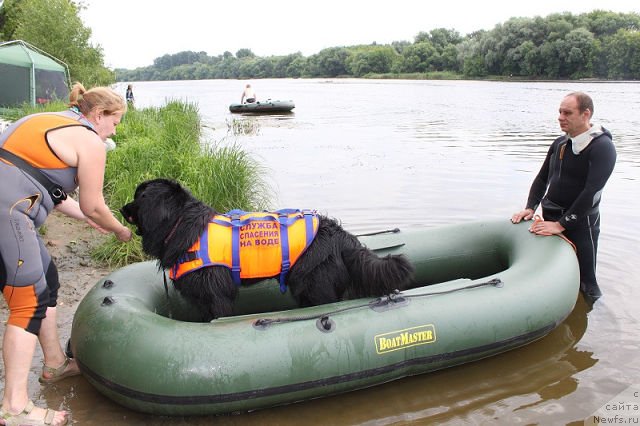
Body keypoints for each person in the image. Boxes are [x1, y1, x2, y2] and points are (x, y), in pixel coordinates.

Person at [0, 82, 133, 425]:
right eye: (115, 122)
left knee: (48, 279)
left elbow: (49, 188)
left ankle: (55, 364)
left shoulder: (54, 120)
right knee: (28, 300)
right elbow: (93, 204)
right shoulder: (90, 140)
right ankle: (14, 408)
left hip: (11, 209)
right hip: (8, 214)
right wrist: (119, 229)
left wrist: (92, 222)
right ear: (99, 115)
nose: (113, 130)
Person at [511, 91, 616, 304]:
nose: (560, 117)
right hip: (550, 217)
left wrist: (560, 225)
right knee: (549, 274)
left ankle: (593, 314)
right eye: (559, 112)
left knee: (587, 283)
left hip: (581, 224)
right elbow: (542, 178)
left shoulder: (602, 147)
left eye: (567, 113)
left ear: (585, 114)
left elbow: (592, 192)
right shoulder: (559, 143)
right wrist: (531, 207)